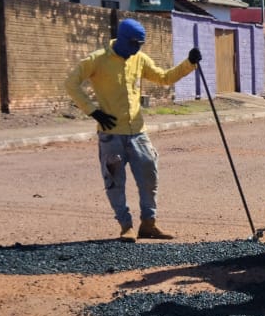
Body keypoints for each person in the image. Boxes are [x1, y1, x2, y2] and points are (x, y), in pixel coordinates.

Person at [65, 18, 200, 242]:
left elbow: (164, 78)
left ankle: (149, 224)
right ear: (123, 39)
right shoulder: (97, 60)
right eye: (135, 44)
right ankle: (125, 225)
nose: (137, 48)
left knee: (149, 177)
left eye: (140, 45)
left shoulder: (139, 59)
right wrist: (92, 111)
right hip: (111, 134)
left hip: (138, 133)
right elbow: (71, 83)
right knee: (115, 181)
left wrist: (189, 63)